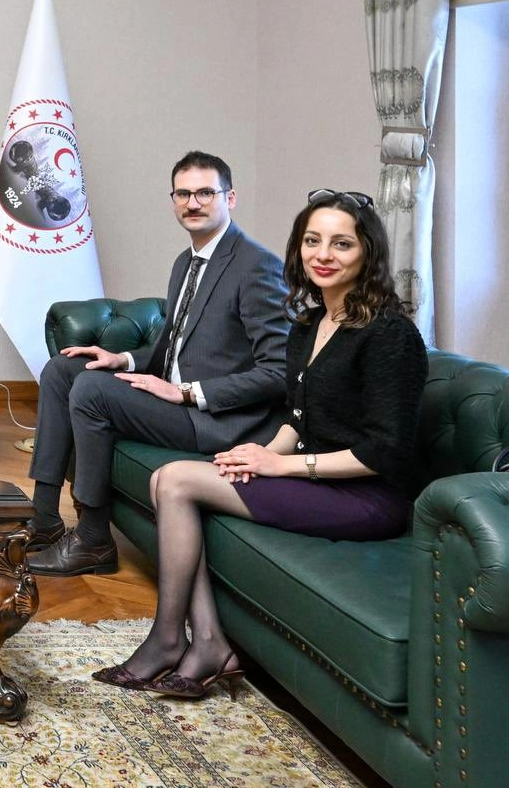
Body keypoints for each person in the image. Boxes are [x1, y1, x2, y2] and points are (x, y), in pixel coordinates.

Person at [92, 189, 427, 698]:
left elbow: (383, 453)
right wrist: (265, 453)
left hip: (367, 497)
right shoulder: (309, 323)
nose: (323, 254)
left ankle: (169, 639)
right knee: (166, 481)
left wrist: (280, 467)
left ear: (368, 253)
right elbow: (298, 416)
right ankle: (207, 642)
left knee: (176, 480)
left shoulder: (390, 334)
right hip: (315, 478)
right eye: (312, 241)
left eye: (341, 244)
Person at [27, 151, 290, 577]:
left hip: (218, 420)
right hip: (174, 402)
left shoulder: (256, 266)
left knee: (92, 390)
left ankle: (93, 539)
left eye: (205, 193)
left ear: (230, 198)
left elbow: (278, 372)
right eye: (183, 194)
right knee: (63, 369)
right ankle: (42, 521)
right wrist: (123, 358)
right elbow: (174, 344)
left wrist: (186, 392)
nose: (193, 203)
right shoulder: (187, 261)